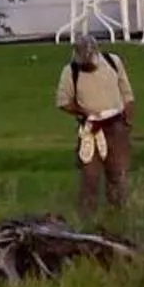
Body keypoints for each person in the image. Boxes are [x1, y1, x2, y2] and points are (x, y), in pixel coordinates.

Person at [56, 33, 135, 217]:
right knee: (90, 177)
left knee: (118, 174)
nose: (86, 65)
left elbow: (126, 92)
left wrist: (128, 119)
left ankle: (117, 216)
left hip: (116, 126)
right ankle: (86, 218)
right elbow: (63, 102)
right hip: (90, 129)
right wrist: (85, 113)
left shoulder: (113, 62)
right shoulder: (70, 72)